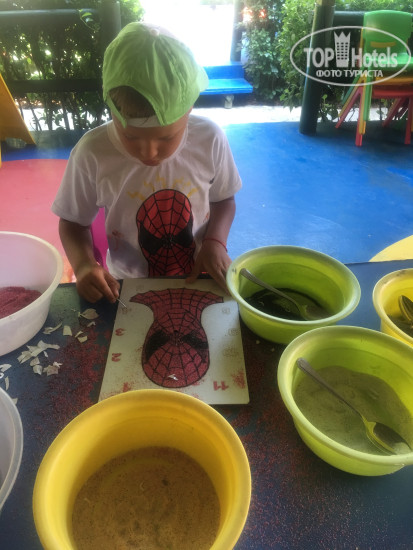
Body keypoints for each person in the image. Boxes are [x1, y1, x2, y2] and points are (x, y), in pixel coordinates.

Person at [52, 22, 242, 303]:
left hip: (200, 275)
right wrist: (83, 265)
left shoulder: (209, 139)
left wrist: (215, 242)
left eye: (166, 137)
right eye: (130, 136)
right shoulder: (92, 153)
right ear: (112, 111)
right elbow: (72, 222)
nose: (149, 152)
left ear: (189, 108)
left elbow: (224, 199)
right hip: (124, 285)